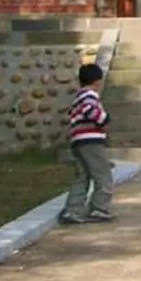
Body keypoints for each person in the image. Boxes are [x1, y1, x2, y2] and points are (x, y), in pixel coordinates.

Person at [59, 62, 114, 225]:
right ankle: (99, 208)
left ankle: (72, 210)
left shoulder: (78, 97)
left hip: (78, 141)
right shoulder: (89, 96)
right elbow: (90, 110)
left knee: (82, 176)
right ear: (98, 81)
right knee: (103, 174)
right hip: (91, 141)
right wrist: (104, 119)